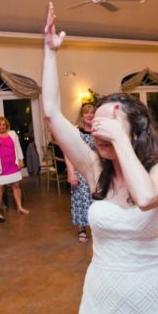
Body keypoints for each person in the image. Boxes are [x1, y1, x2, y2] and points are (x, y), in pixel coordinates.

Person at [42, 3, 158, 314]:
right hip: (101, 290)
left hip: (149, 292)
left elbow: (146, 198)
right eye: (96, 124)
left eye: (111, 124)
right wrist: (49, 52)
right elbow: (50, 113)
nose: (99, 129)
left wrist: (119, 140)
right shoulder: (95, 170)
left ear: (136, 131)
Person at [64, 103, 97, 243]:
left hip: (97, 171)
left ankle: (98, 228)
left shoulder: (98, 130)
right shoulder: (75, 131)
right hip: (80, 171)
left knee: (97, 200)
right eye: (86, 113)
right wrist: (71, 173)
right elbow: (68, 152)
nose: (89, 115)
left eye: (92, 112)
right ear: (82, 116)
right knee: (82, 200)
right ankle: (82, 229)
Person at [0, 116, 28, 217]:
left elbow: (18, 147)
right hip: (0, 168)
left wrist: (21, 160)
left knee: (16, 186)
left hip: (13, 165)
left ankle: (19, 207)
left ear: (7, 125)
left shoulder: (12, 134)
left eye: (4, 125)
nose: (2, 127)